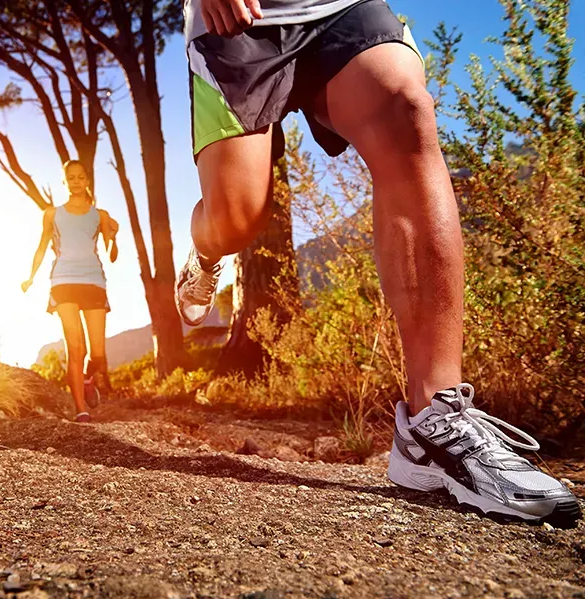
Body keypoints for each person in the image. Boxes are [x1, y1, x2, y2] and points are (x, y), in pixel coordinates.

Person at [177, 0, 581, 524]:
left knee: (406, 111)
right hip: (238, 23)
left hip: (340, 7)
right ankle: (206, 253)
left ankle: (434, 421)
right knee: (236, 219)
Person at [22, 160, 119, 423]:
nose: (76, 182)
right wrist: (30, 277)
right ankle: (80, 410)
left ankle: (88, 379)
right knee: (75, 347)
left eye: (80, 177)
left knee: (97, 354)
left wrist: (113, 236)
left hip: (93, 281)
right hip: (63, 280)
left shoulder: (100, 215)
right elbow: (42, 247)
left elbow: (112, 254)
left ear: (87, 180)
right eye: (71, 178)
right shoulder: (52, 214)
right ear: (64, 182)